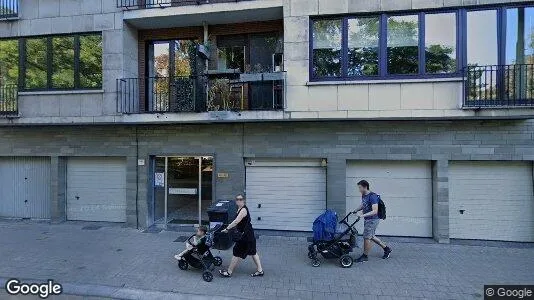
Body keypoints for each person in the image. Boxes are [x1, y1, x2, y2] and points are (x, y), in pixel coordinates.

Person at [218, 194, 264, 277]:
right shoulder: (239, 208)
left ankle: (229, 272)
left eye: (241, 199)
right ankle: (260, 270)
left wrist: (227, 228)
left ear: (244, 200)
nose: (239, 201)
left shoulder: (243, 210)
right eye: (237, 199)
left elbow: (236, 221)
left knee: (236, 253)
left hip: (245, 236)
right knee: (253, 252)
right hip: (249, 234)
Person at [353, 180, 392, 262]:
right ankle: (387, 249)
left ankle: (365, 256)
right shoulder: (364, 195)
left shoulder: (372, 196)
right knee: (371, 236)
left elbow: (375, 211)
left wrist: (362, 215)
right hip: (368, 219)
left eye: (360, 187)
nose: (359, 189)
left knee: (367, 237)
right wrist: (356, 210)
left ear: (365, 187)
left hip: (373, 219)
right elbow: (364, 204)